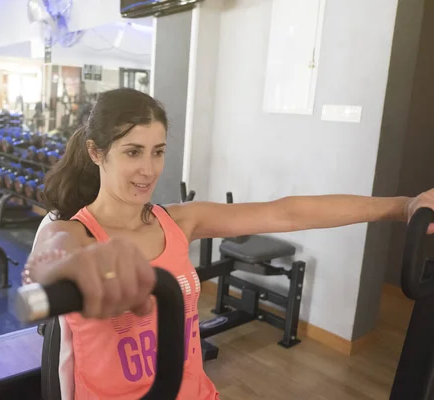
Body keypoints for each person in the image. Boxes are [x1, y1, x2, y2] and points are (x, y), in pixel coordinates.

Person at [22, 88, 434, 400]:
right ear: (96, 153)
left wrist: (403, 206)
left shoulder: (179, 220)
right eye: (133, 152)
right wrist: (73, 268)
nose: (148, 170)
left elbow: (286, 213)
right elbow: (52, 256)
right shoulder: (76, 230)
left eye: (158, 152)